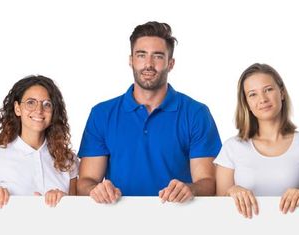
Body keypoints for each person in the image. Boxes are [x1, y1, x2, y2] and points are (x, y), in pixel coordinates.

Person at [76, 21, 222, 204]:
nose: (148, 64)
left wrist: (190, 188)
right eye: (141, 55)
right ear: (131, 60)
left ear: (171, 63)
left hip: (178, 220)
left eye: (158, 56)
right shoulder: (102, 114)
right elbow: (85, 182)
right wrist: (96, 190)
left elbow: (208, 182)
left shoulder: (196, 114)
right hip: (116, 220)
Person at [214, 63, 299, 218]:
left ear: (281, 93)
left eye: (268, 90)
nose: (262, 99)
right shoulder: (232, 148)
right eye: (252, 94)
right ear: (246, 103)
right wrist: (231, 192)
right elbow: (216, 211)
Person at [0, 75, 78, 208]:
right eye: (31, 102)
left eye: (47, 104)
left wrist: (65, 201)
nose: (39, 110)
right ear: (17, 108)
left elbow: (78, 210)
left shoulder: (68, 160)